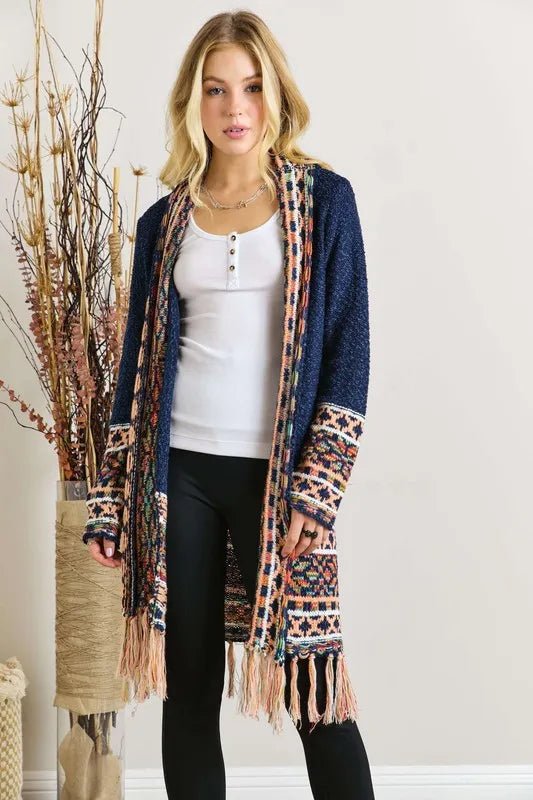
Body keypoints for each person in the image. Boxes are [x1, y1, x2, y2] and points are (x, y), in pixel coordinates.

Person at [84, 10, 374, 799]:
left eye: (249, 87)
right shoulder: (164, 221)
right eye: (215, 89)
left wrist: (318, 489)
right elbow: (135, 372)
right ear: (193, 101)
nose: (234, 107)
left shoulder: (323, 202)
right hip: (178, 474)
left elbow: (348, 352)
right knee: (187, 693)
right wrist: (112, 505)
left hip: (279, 481)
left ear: (274, 93)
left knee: (316, 692)